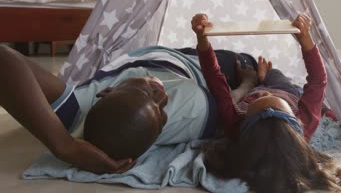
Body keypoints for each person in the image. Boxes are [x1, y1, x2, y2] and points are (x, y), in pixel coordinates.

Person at [0, 43, 257, 174]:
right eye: (160, 111)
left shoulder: (75, 111)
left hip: (155, 54)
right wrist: (248, 83)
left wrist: (64, 145)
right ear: (161, 129)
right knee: (246, 62)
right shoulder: (193, 110)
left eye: (142, 90)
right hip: (191, 64)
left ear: (107, 91)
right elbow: (229, 104)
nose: (159, 94)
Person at [192, 13, 341, 192]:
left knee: (246, 88)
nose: (265, 93)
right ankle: (264, 77)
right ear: (293, 117)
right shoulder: (305, 122)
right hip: (286, 91)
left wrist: (202, 39)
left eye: (259, 99)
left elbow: (216, 81)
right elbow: (317, 80)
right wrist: (305, 38)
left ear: (246, 120)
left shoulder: (235, 124)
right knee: (277, 76)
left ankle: (256, 81)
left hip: (255, 92)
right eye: (270, 100)